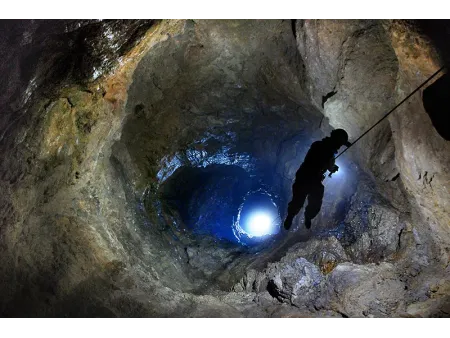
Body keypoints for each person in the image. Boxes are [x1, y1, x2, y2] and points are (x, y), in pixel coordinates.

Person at [283, 129, 351, 230]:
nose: (339, 147)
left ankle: (308, 216)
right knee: (298, 200)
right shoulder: (319, 145)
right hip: (305, 176)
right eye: (340, 144)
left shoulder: (328, 151)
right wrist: (331, 165)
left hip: (314, 179)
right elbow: (319, 158)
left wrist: (332, 166)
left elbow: (327, 163)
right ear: (335, 140)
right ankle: (291, 216)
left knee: (316, 201)